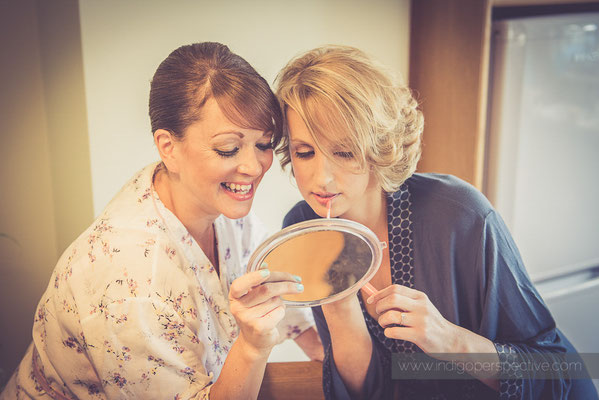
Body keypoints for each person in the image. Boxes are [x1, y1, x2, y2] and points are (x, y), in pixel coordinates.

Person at [1, 42, 323, 400]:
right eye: (228, 149)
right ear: (168, 147)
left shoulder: (216, 204)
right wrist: (252, 348)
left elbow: (271, 278)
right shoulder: (131, 283)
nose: (253, 167)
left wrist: (324, 350)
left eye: (264, 144)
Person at [274, 45, 598, 399]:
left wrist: (446, 337)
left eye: (345, 151)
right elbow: (369, 391)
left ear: (379, 146)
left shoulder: (460, 214)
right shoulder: (303, 228)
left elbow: (554, 371)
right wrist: (339, 306)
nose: (322, 179)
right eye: (304, 152)